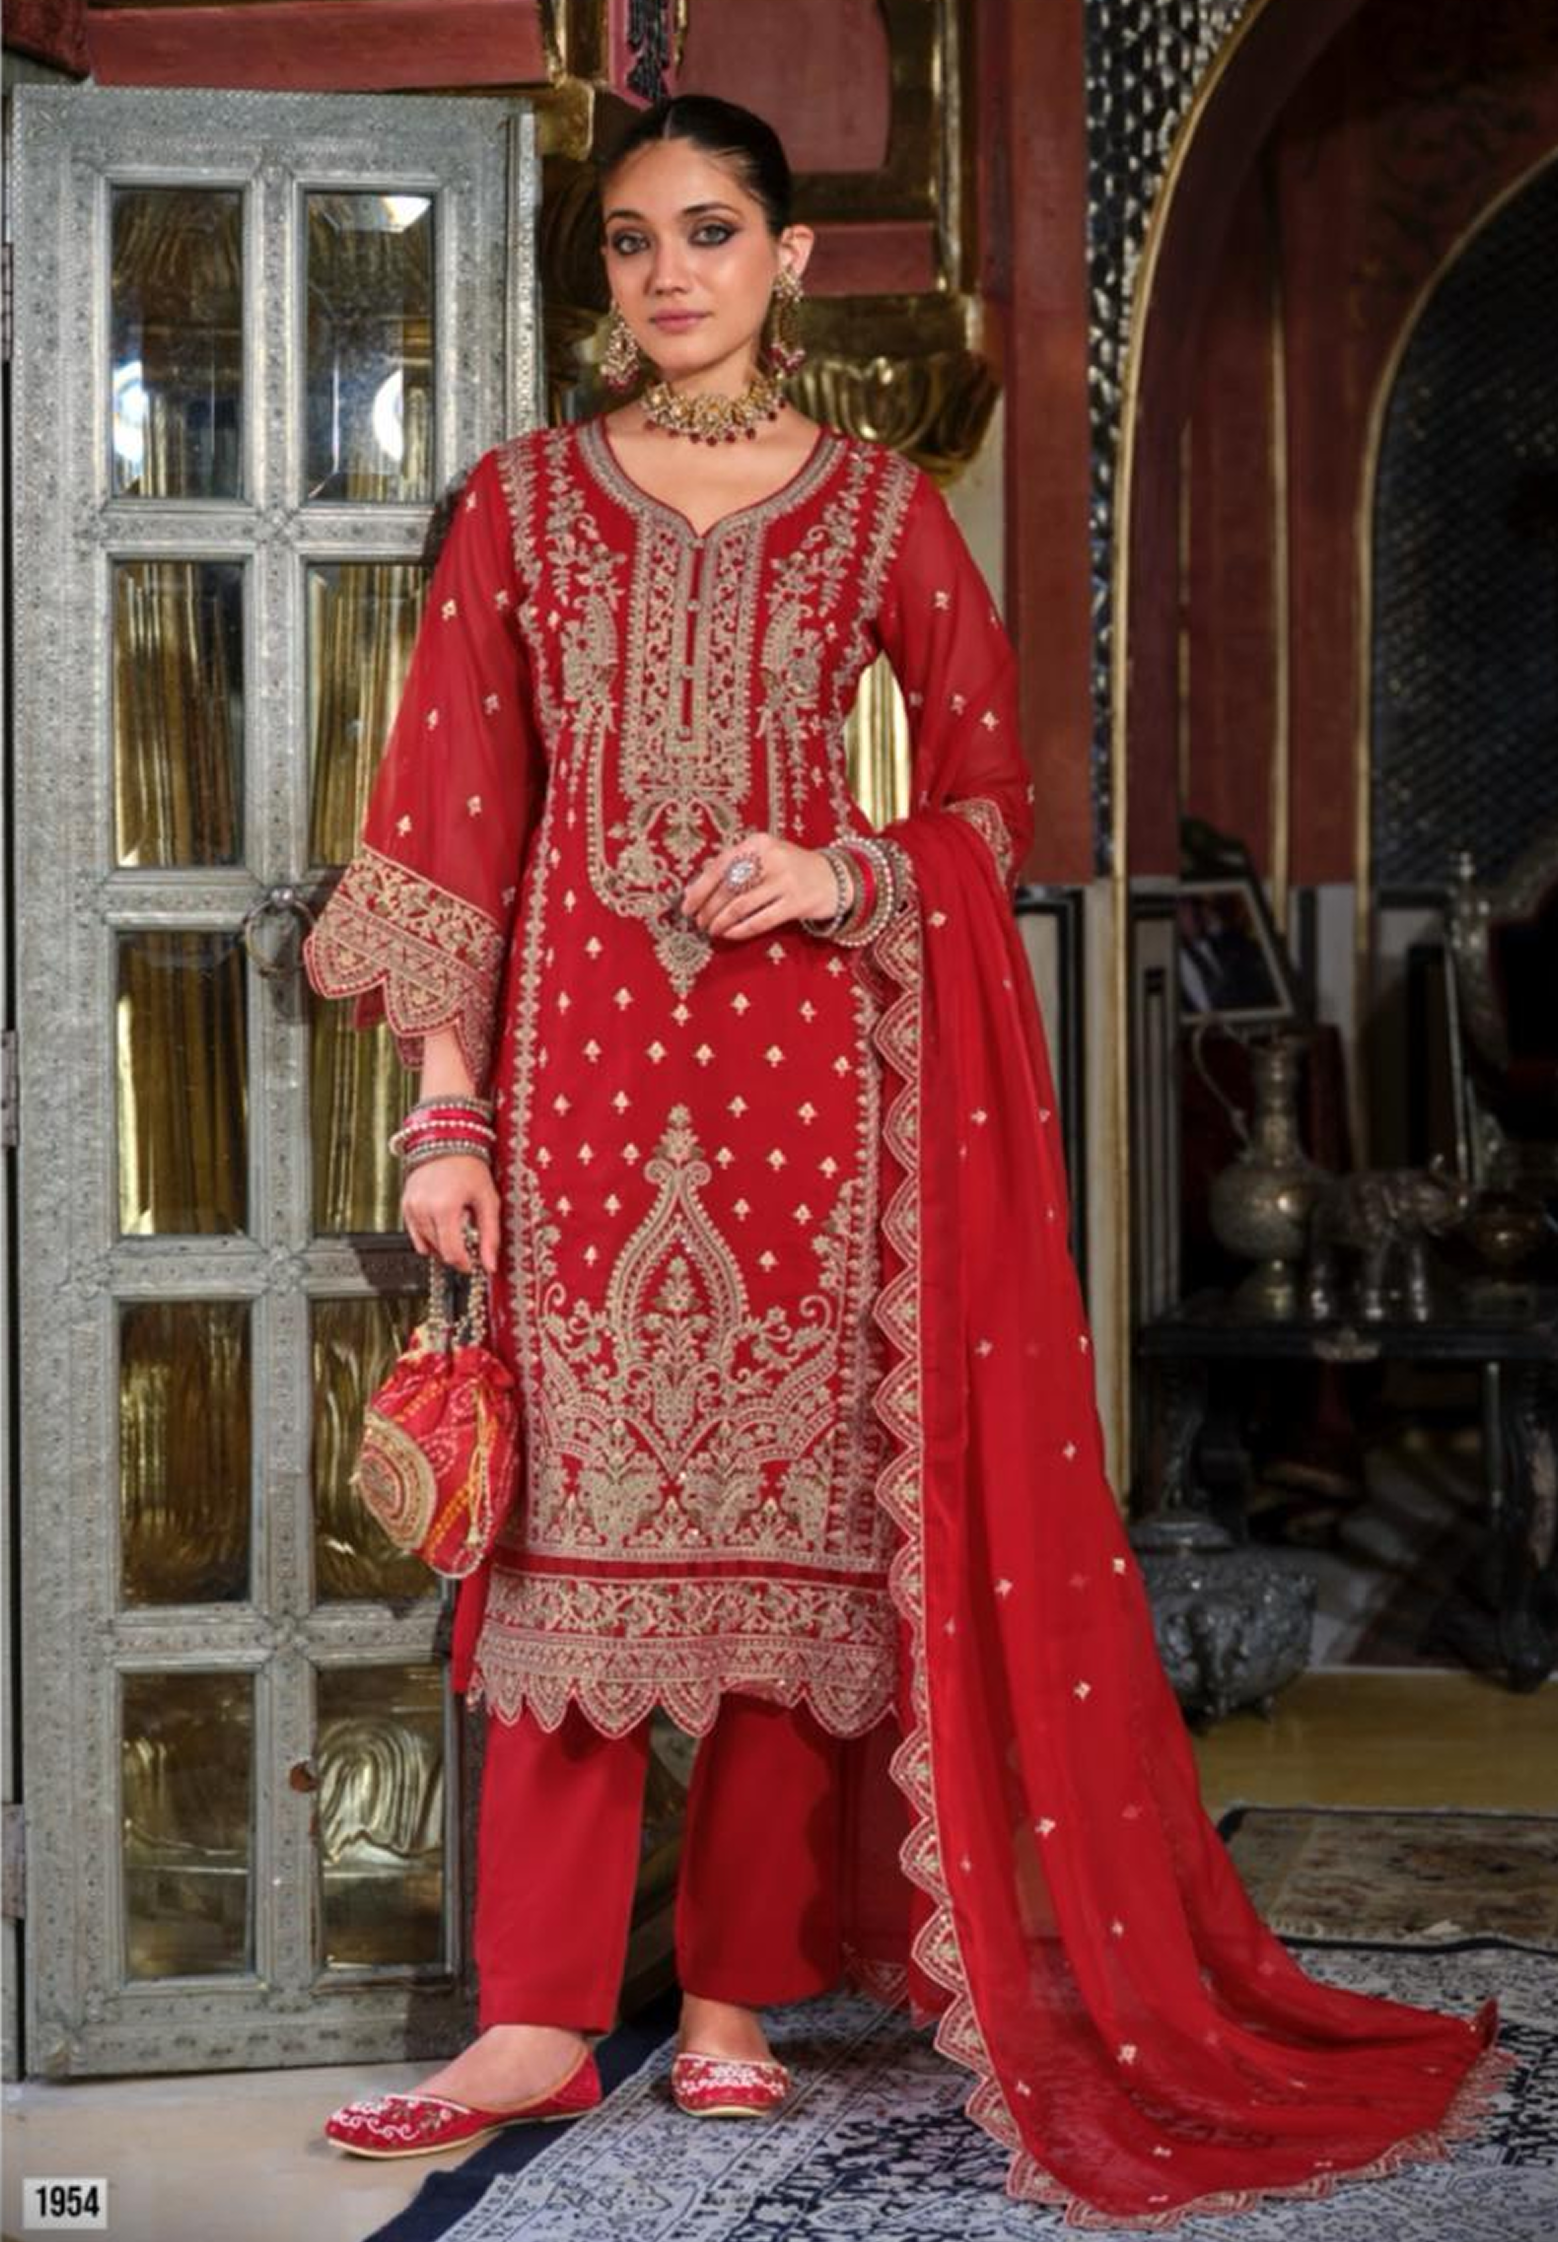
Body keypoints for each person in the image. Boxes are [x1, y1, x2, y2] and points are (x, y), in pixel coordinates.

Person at [305, 93, 1512, 2222]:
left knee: (783, 1579)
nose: (666, 271)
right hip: (575, 1094)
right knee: (561, 1550)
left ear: (786, 259)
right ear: (602, 278)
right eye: (627, 241)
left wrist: (838, 867)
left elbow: (983, 799)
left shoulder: (873, 512)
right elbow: (445, 838)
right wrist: (438, 1109)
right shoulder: (511, 510)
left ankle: (736, 1996)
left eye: (708, 231)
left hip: (803, 1104)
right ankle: (532, 2005)